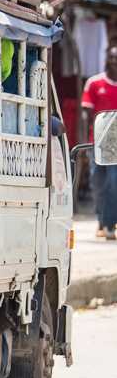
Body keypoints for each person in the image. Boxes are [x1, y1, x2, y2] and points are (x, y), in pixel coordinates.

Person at [83, 46, 117, 240]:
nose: (114, 62)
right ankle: (101, 221)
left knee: (113, 183)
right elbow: (85, 112)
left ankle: (110, 224)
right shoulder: (94, 83)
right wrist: (85, 142)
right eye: (112, 58)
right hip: (96, 143)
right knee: (97, 184)